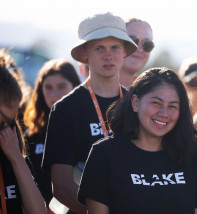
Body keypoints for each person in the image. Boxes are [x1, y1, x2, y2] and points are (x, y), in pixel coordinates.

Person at [78, 67, 197, 214]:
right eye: (156, 103)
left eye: (172, 106)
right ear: (135, 102)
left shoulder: (190, 155)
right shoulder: (104, 154)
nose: (164, 113)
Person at [42, 12, 137, 214]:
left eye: (114, 47)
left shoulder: (137, 104)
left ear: (124, 52)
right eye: (99, 48)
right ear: (84, 54)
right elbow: (60, 185)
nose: (108, 55)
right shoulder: (65, 109)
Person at [23, 59, 81, 209]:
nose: (54, 94)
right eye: (48, 87)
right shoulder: (31, 136)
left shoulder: (86, 129)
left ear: (75, 87)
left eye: (61, 86)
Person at [0, 51, 46, 214]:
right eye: (3, 122)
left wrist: (16, 158)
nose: (7, 130)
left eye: (10, 123)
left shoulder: (11, 156)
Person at [119, 18, 154, 88]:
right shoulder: (94, 87)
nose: (139, 49)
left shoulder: (148, 92)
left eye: (147, 44)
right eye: (132, 41)